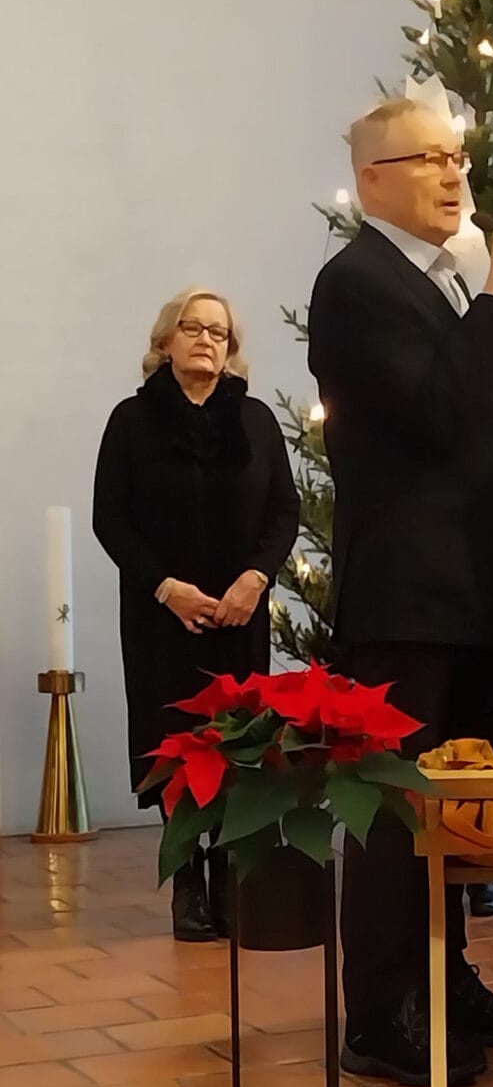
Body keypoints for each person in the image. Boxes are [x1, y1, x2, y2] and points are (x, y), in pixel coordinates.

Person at [308, 98, 493, 1087]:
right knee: (394, 807)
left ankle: (446, 980)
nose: (455, 173)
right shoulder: (355, 283)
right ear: (372, 179)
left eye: (458, 156)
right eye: (429, 158)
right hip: (409, 593)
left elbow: (461, 408)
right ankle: (381, 1014)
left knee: (458, 800)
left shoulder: (439, 280)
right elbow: (423, 412)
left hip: (473, 585)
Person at [93, 289, 300, 942]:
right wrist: (165, 588)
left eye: (219, 331)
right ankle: (187, 882)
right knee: (175, 748)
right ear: (166, 341)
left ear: (230, 347)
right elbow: (110, 519)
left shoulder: (256, 421)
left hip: (240, 613)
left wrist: (255, 579)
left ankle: (231, 877)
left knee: (236, 746)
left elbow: (284, 510)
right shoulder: (131, 420)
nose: (207, 339)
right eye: (193, 327)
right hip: (162, 617)